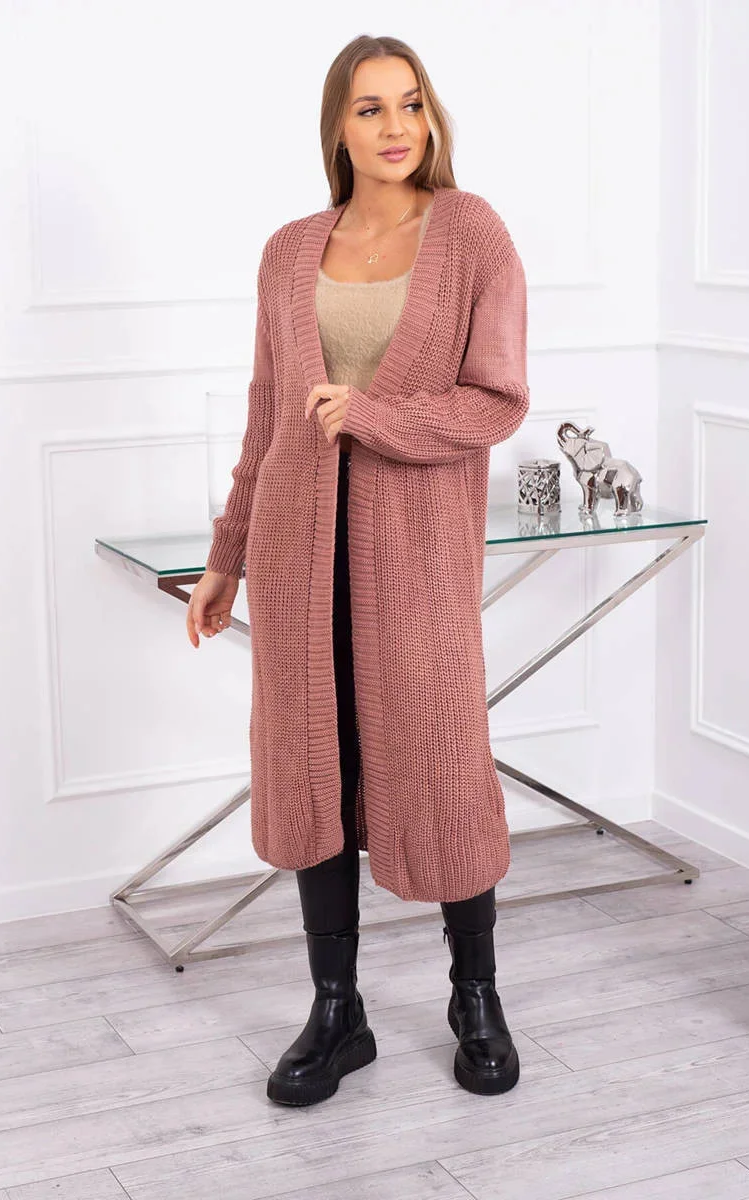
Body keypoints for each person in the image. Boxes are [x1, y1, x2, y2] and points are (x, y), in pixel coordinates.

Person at [186, 35, 529, 1107]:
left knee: (441, 762)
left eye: (410, 104)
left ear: (430, 117)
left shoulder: (470, 231)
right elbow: (267, 417)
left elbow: (496, 400)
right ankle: (337, 1013)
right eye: (370, 108)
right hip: (297, 556)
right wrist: (226, 560)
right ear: (337, 125)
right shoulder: (290, 250)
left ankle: (475, 996)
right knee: (312, 771)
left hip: (416, 558)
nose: (394, 127)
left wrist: (372, 416)